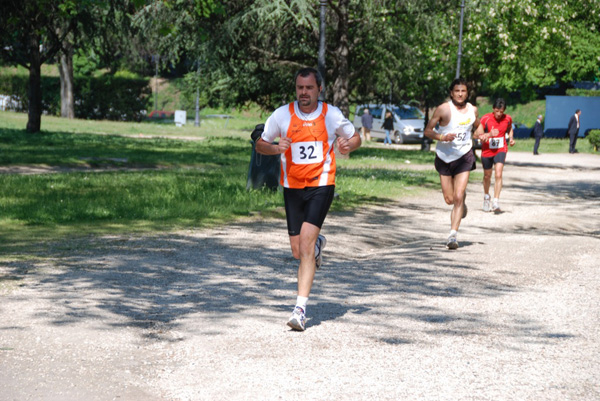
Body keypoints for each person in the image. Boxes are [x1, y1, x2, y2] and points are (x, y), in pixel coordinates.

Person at [255, 67, 361, 331]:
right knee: (298, 251)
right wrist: (274, 148)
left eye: (309, 88)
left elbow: (355, 137)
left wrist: (349, 145)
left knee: (304, 247)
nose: (304, 93)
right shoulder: (282, 115)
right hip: (292, 186)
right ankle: (316, 247)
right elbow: (260, 143)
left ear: (319, 89)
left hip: (321, 184)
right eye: (300, 88)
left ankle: (300, 310)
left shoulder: (331, 115)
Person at [424, 78, 481, 250]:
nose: (460, 94)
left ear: (467, 92)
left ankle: (452, 235)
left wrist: (482, 135)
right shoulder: (443, 109)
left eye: (463, 91)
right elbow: (428, 131)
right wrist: (442, 137)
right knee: (450, 199)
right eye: (457, 91)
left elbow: (478, 128)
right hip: (444, 157)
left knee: (458, 195)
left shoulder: (473, 110)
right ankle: (461, 203)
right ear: (451, 92)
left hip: (464, 156)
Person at [474, 98, 515, 213]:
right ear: (493, 109)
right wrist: (489, 134)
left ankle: (496, 201)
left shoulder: (507, 119)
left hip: (500, 149)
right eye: (497, 111)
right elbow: (475, 135)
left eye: (501, 112)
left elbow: (510, 128)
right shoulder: (485, 119)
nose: (498, 114)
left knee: (498, 173)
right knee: (487, 176)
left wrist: (511, 138)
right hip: (487, 151)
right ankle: (487, 196)